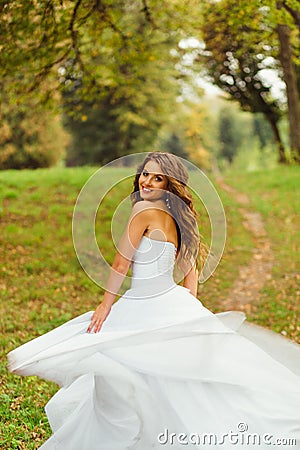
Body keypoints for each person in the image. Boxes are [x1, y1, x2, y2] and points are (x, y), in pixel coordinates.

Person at [7, 152, 300, 450]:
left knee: (127, 364)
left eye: (157, 177)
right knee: (163, 373)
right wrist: (188, 306)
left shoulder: (144, 211)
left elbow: (122, 264)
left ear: (169, 184)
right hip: (173, 300)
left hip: (145, 302)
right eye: (145, 173)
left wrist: (106, 305)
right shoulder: (182, 217)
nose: (147, 181)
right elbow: (191, 270)